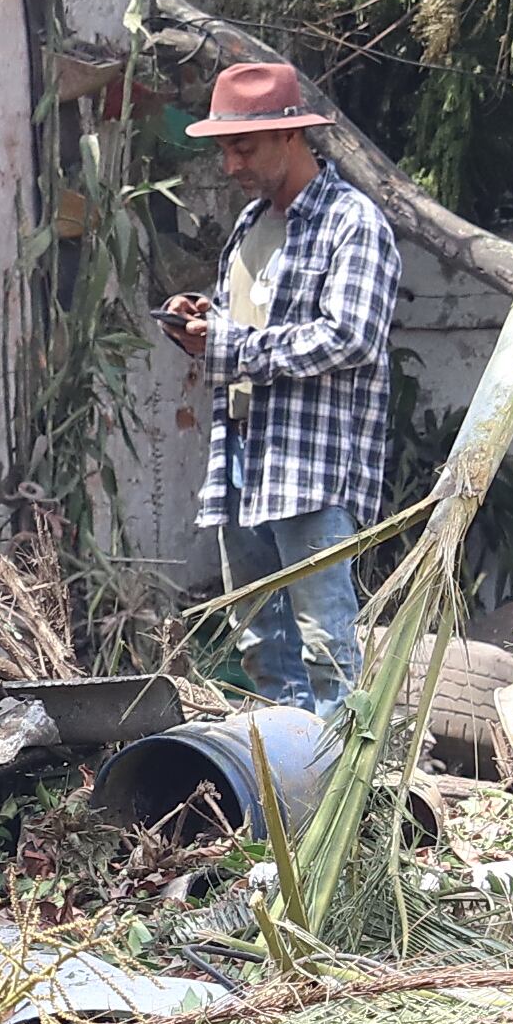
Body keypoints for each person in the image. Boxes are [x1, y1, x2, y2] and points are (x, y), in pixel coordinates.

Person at [161, 63, 398, 714]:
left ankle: (343, 807)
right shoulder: (247, 225)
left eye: (244, 146)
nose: (231, 163)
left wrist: (229, 344)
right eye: (224, 148)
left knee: (326, 652)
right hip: (240, 460)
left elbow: (349, 337)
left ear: (290, 136)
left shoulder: (351, 223)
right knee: (260, 645)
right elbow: (239, 329)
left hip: (311, 468)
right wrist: (200, 324)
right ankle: (287, 798)